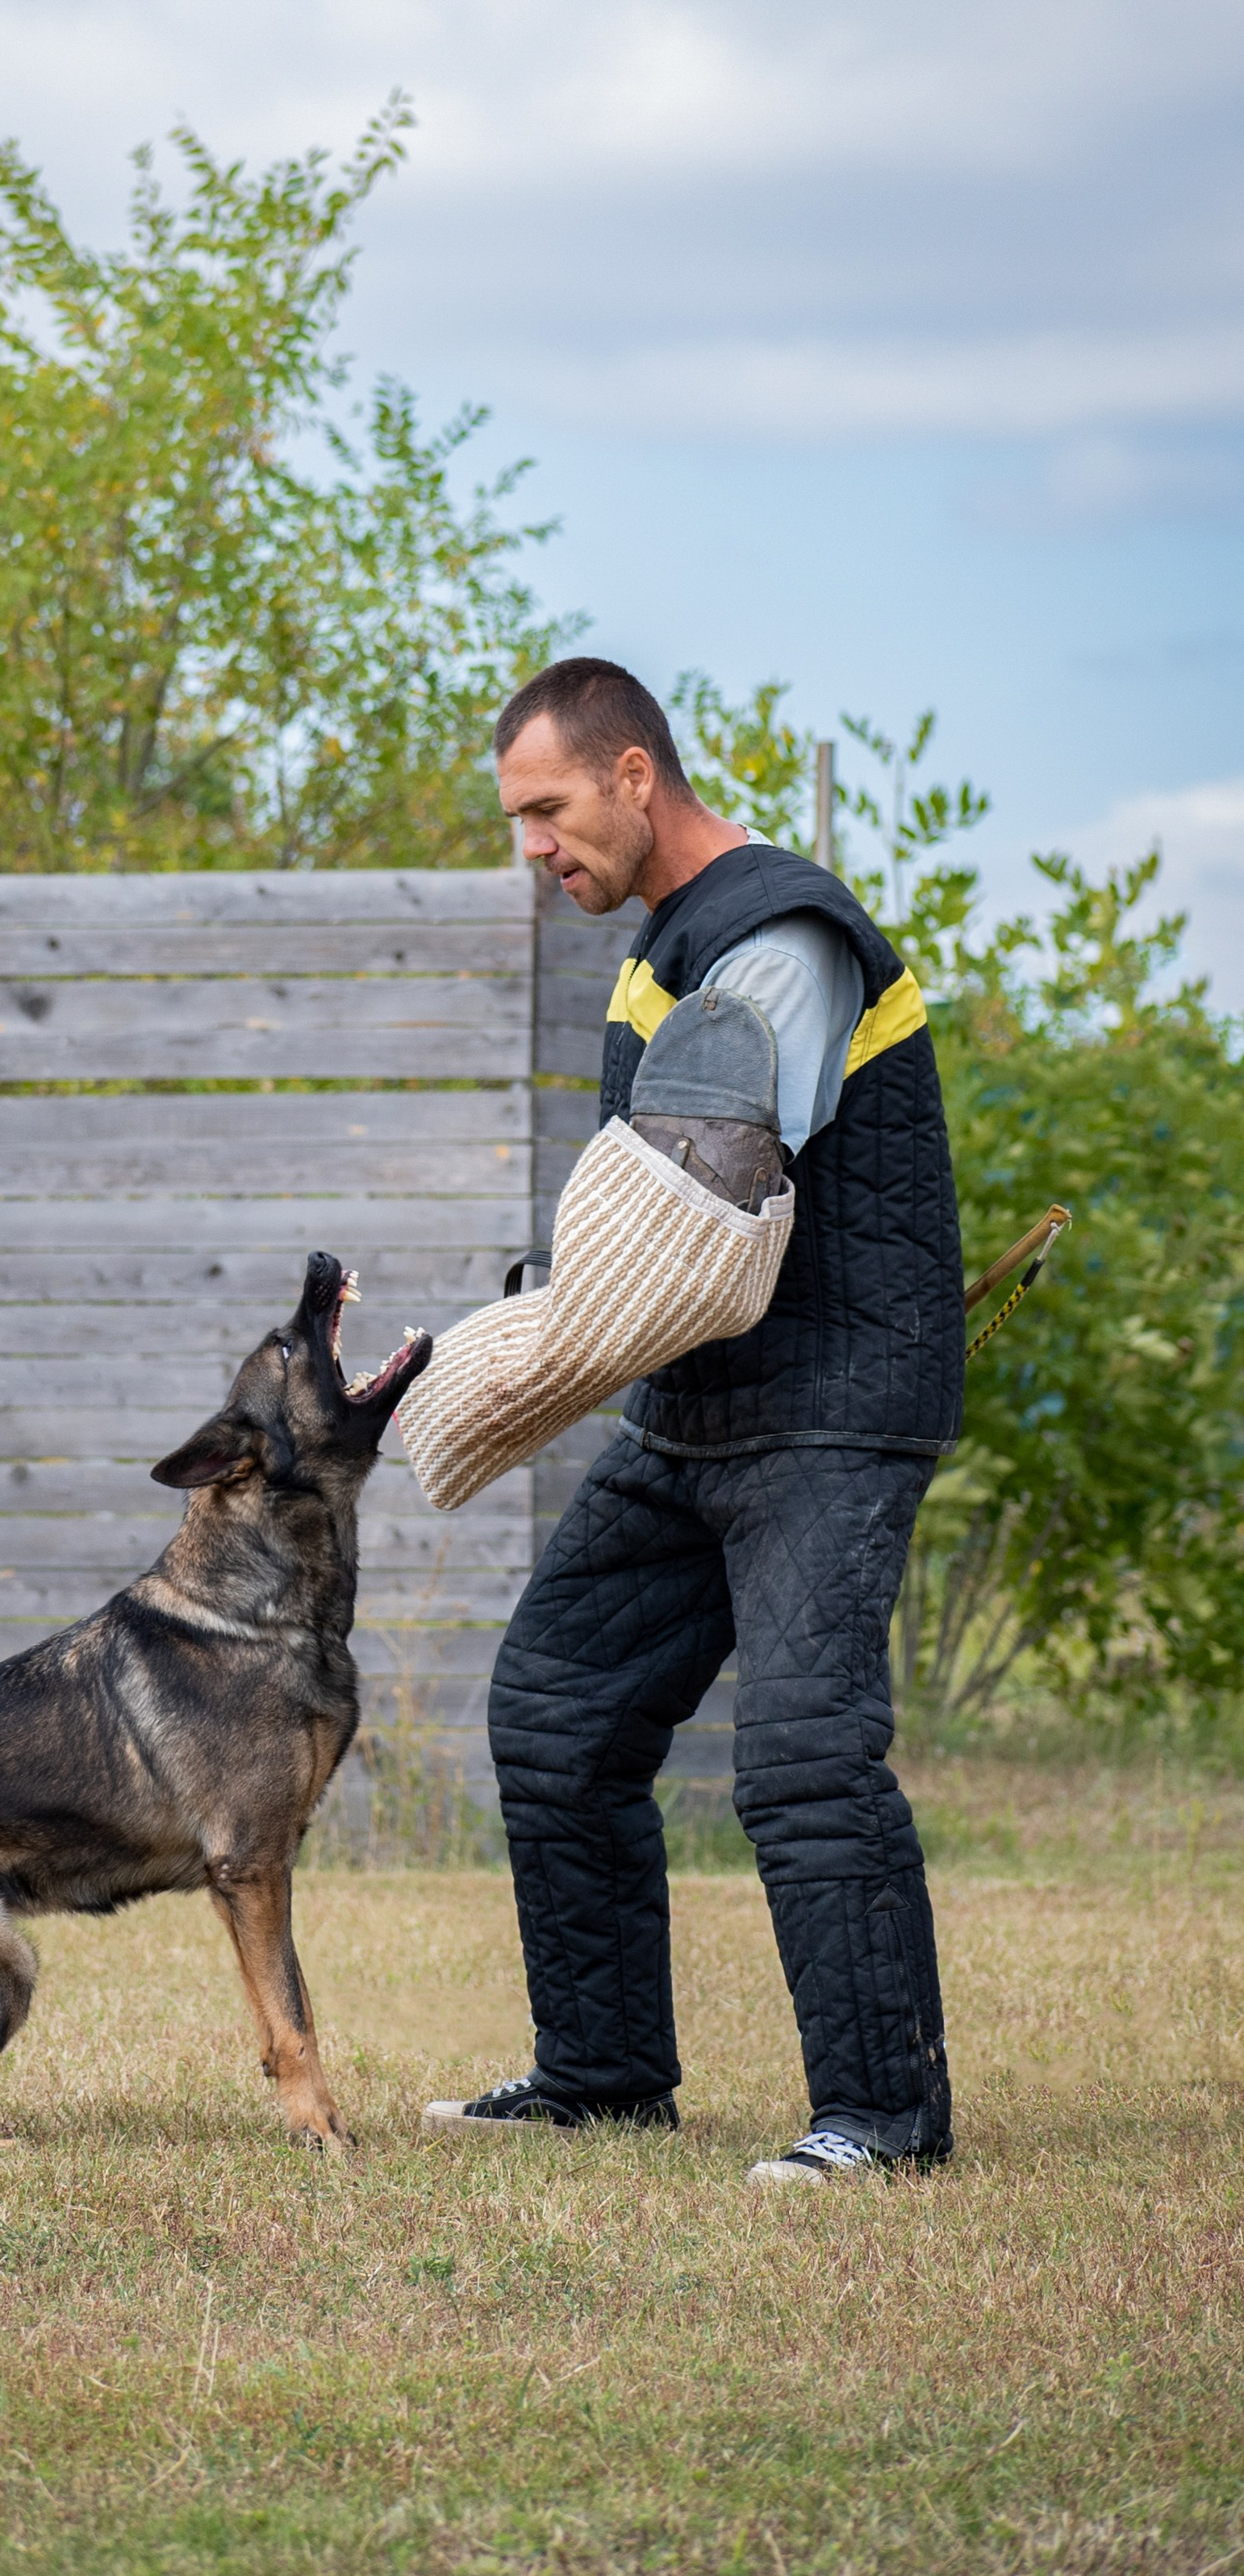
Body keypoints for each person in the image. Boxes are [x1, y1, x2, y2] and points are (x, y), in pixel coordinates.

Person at [423, 658, 962, 2181]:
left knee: (798, 1755)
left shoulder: (781, 934)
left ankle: (882, 2116)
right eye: (519, 815)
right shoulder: (672, 937)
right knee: (557, 1708)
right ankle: (602, 2074)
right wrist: (517, 1321)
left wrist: (525, 1354)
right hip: (704, 1406)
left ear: (635, 777)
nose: (534, 844)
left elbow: (700, 1207)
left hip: (829, 1412)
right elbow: (648, 1224)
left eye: (548, 807)